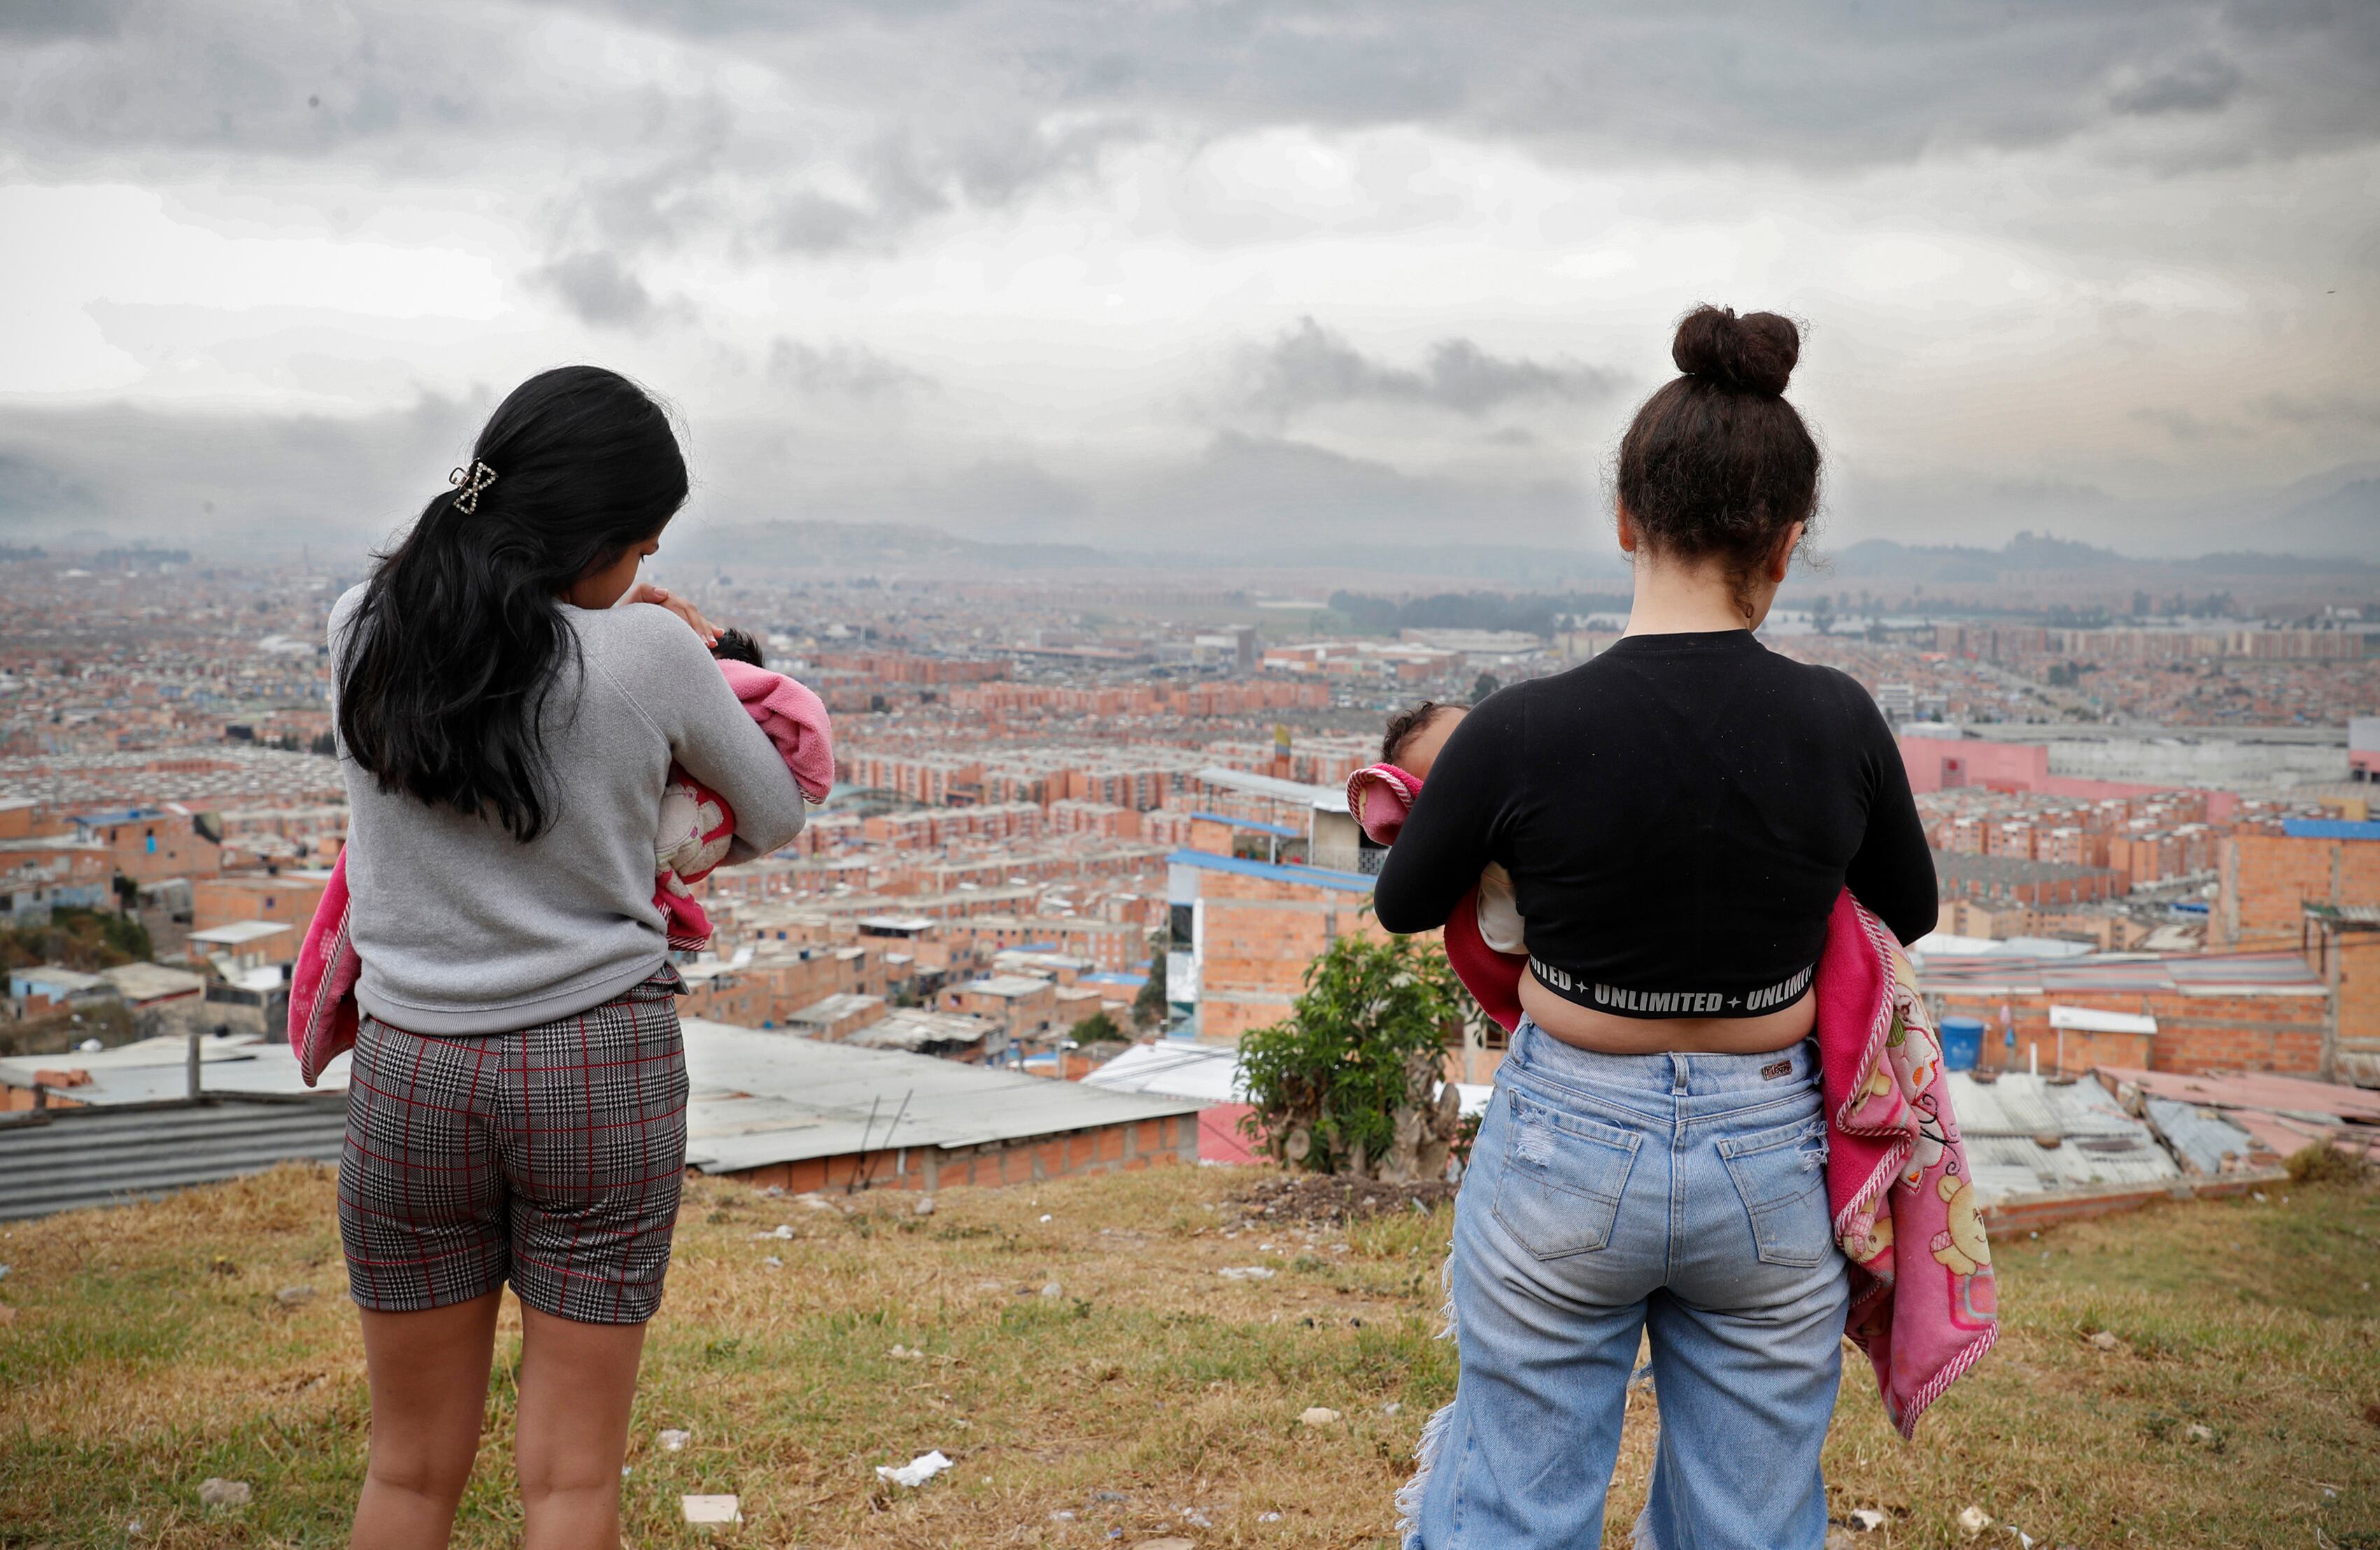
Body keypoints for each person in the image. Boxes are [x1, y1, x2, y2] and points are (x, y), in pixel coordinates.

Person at [1374, 307, 1937, 1550]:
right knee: (1747, 1518)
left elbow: (1404, 900)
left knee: (1516, 1500)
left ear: (1625, 520)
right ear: (1788, 545)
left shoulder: (1521, 725)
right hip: (1772, 1144)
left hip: (1567, 1131)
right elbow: (1913, 906)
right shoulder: (1836, 719)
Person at [328, 365, 808, 1550]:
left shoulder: (361, 628)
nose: (642, 573)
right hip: (596, 1065)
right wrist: (672, 652)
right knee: (573, 1483)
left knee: (404, 1474)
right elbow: (776, 806)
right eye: (640, 547)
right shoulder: (647, 656)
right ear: (597, 539)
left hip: (410, 1079)